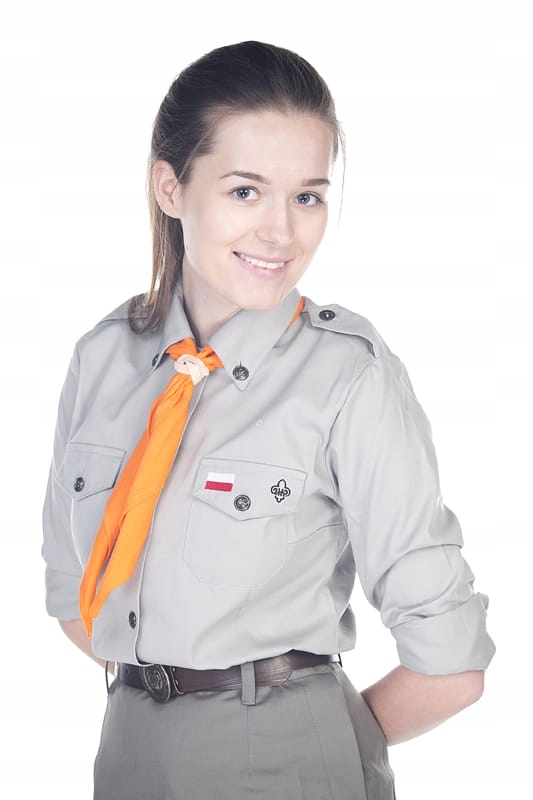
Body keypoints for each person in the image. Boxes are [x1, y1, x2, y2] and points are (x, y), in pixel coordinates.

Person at [42, 40, 495, 800]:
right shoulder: (103, 359)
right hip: (124, 751)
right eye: (246, 191)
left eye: (307, 197)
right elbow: (72, 596)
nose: (281, 233)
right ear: (170, 188)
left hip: (285, 760)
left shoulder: (346, 374)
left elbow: (450, 662)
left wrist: (325, 746)